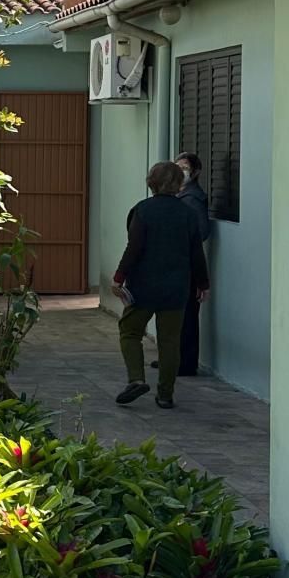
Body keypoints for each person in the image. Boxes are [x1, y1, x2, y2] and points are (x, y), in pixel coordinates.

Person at [114, 160, 209, 410]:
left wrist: (119, 277)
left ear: (151, 182)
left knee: (130, 331)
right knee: (170, 342)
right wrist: (203, 283)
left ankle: (136, 379)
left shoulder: (142, 211)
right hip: (177, 287)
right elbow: (196, 252)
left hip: (143, 286)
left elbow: (133, 248)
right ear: (179, 184)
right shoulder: (188, 213)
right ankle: (165, 394)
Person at [174, 151, 212, 375]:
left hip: (188, 264)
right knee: (177, 315)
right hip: (183, 263)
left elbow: (201, 232)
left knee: (187, 315)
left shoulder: (192, 199)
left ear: (195, 172)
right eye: (177, 167)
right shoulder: (180, 195)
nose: (181, 172)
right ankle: (175, 358)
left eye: (185, 168)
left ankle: (186, 362)